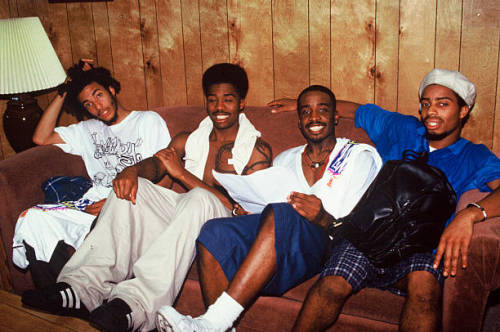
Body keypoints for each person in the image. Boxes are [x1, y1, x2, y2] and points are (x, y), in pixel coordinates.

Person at [21, 62, 273, 332]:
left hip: (225, 224)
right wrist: (131, 171)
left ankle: (134, 306)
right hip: (187, 212)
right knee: (128, 188)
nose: (219, 107)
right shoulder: (188, 139)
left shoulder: (257, 151)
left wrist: (183, 175)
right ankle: (81, 289)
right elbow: (156, 164)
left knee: (199, 197)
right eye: (213, 100)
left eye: (228, 99)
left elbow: (242, 211)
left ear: (242, 103)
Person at [268, 69, 500, 331]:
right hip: (370, 235)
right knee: (330, 285)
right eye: (426, 104)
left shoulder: (476, 156)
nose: (431, 112)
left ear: (463, 111)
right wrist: (301, 105)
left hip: (421, 248)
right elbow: (357, 111)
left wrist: (470, 214)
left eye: (443, 104)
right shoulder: (404, 128)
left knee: (424, 288)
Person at [155, 85, 382, 332]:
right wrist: (249, 210)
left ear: (336, 117)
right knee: (213, 232)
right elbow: (267, 208)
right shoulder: (286, 159)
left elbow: (361, 230)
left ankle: (214, 322)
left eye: (322, 110)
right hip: (283, 245)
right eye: (306, 112)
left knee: (283, 212)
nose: (314, 118)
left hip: (328, 246)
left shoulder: (359, 156)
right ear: (299, 121)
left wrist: (323, 217)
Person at [12, 60, 171, 287]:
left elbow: (164, 177)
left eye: (99, 95)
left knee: (105, 226)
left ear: (112, 89)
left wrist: (114, 203)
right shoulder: (87, 130)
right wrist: (64, 90)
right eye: (88, 104)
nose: (97, 107)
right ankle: (55, 294)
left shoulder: (147, 121)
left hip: (131, 204)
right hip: (91, 204)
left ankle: (77, 292)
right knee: (34, 219)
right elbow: (41, 137)